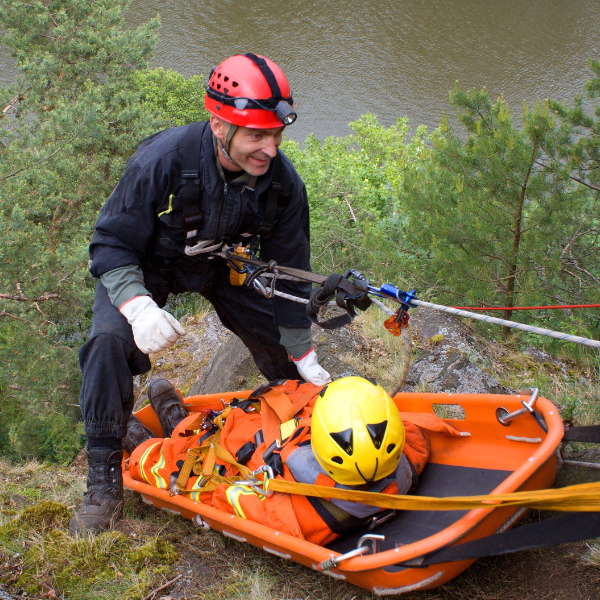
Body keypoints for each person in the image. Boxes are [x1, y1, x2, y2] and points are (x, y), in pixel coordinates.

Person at [70, 53, 331, 535]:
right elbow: (108, 243)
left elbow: (292, 274)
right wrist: (136, 303)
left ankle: (296, 430)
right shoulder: (161, 162)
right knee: (106, 343)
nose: (269, 150)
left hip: (218, 266)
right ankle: (104, 474)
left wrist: (302, 351)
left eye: (275, 135)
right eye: (256, 135)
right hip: (145, 266)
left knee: (285, 351)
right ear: (218, 124)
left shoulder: (282, 185)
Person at [127, 376, 431, 545]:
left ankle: (158, 443)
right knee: (239, 427)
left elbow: (217, 497)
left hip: (252, 461)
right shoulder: (408, 453)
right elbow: (406, 429)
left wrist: (145, 459)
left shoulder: (293, 517)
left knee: (196, 465)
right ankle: (183, 430)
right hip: (281, 443)